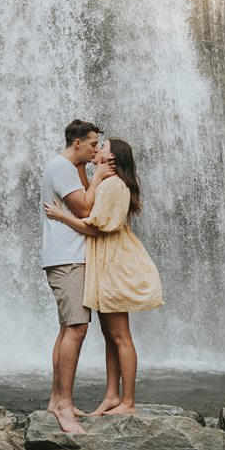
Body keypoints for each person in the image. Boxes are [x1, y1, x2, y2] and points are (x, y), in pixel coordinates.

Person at [45, 137, 163, 416]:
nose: (97, 149)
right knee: (111, 336)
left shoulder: (113, 185)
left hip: (115, 264)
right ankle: (112, 396)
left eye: (103, 147)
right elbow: (89, 203)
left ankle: (128, 402)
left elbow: (95, 226)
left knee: (121, 336)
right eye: (96, 145)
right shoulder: (107, 183)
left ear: (112, 158)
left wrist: (61, 217)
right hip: (105, 263)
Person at [41, 119, 115, 433]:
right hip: (67, 259)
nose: (97, 149)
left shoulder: (72, 168)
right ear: (77, 144)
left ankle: (57, 400)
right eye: (93, 144)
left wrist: (90, 174)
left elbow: (90, 203)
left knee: (66, 330)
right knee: (77, 329)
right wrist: (98, 175)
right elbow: (86, 210)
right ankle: (63, 407)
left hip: (68, 256)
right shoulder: (61, 167)